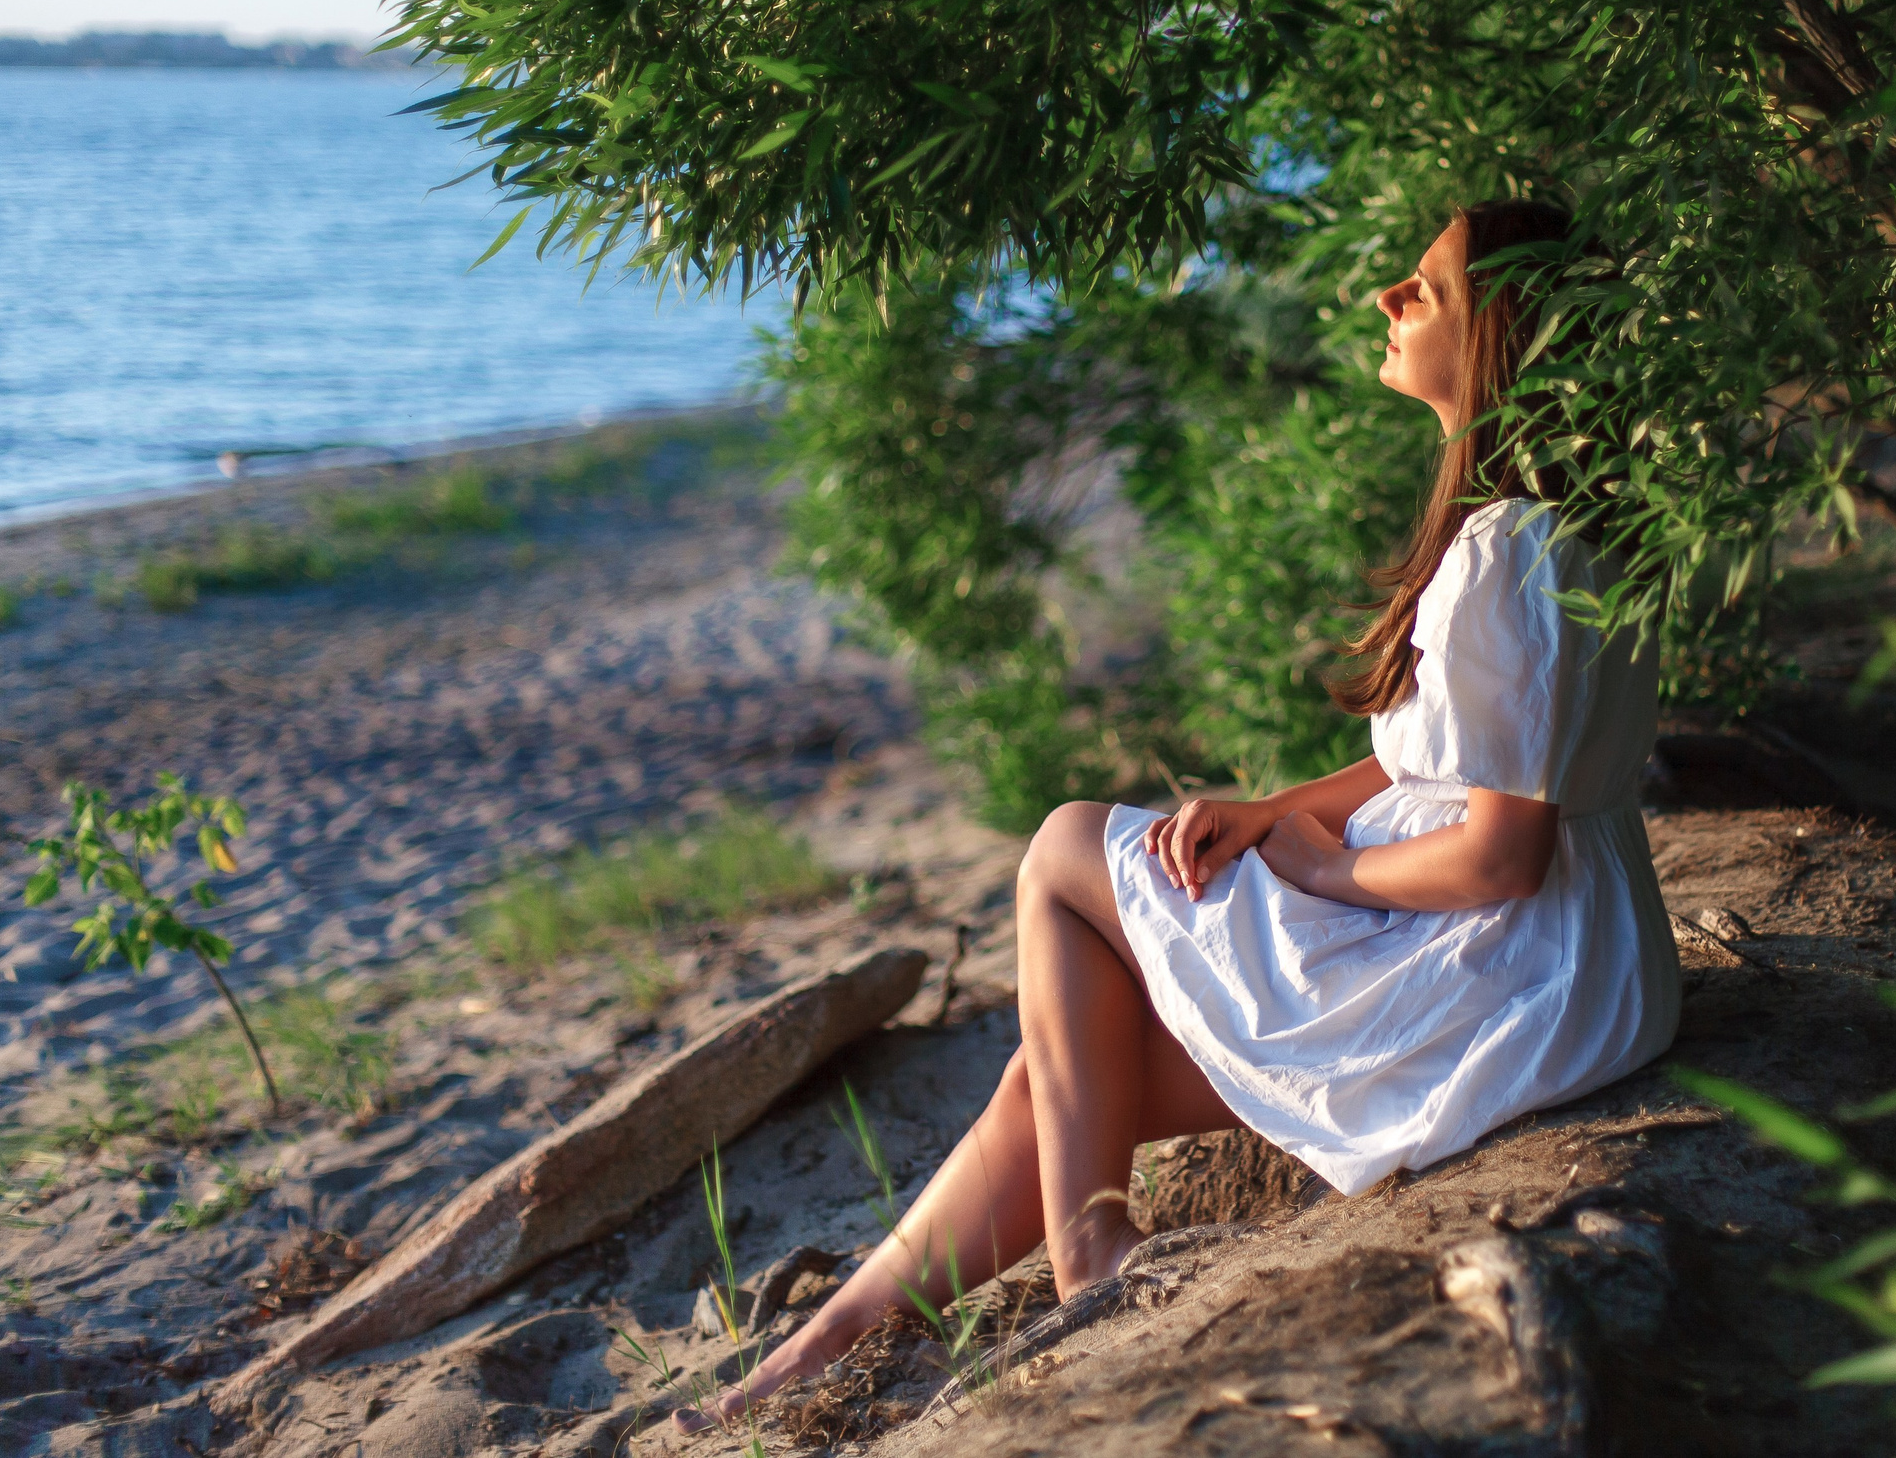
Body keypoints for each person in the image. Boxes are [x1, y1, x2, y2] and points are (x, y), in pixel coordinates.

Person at [675, 199, 1678, 1432]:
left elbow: (1500, 855)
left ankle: (1088, 1262)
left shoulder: (1506, 557)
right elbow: (1445, 771)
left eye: (1425, 287)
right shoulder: (1559, 532)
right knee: (1063, 1070)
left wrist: (1321, 870)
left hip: (1504, 977)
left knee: (1062, 849)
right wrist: (1271, 814)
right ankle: (833, 1335)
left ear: (1501, 336)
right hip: (1568, 968)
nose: (1389, 298)